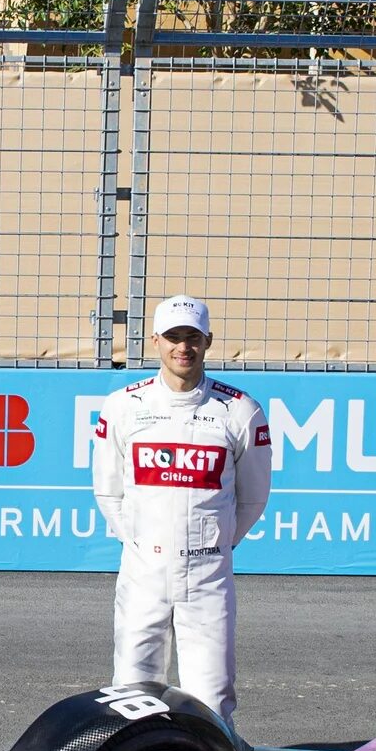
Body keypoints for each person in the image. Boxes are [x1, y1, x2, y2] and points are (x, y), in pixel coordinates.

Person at [90, 295, 272, 725]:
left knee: (211, 697)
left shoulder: (239, 410)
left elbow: (252, 497)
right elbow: (108, 492)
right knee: (133, 693)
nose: (182, 347)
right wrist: (139, 541)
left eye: (192, 337)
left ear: (208, 340)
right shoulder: (123, 406)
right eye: (173, 337)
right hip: (142, 573)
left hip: (207, 576)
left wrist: (214, 544)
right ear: (155, 340)